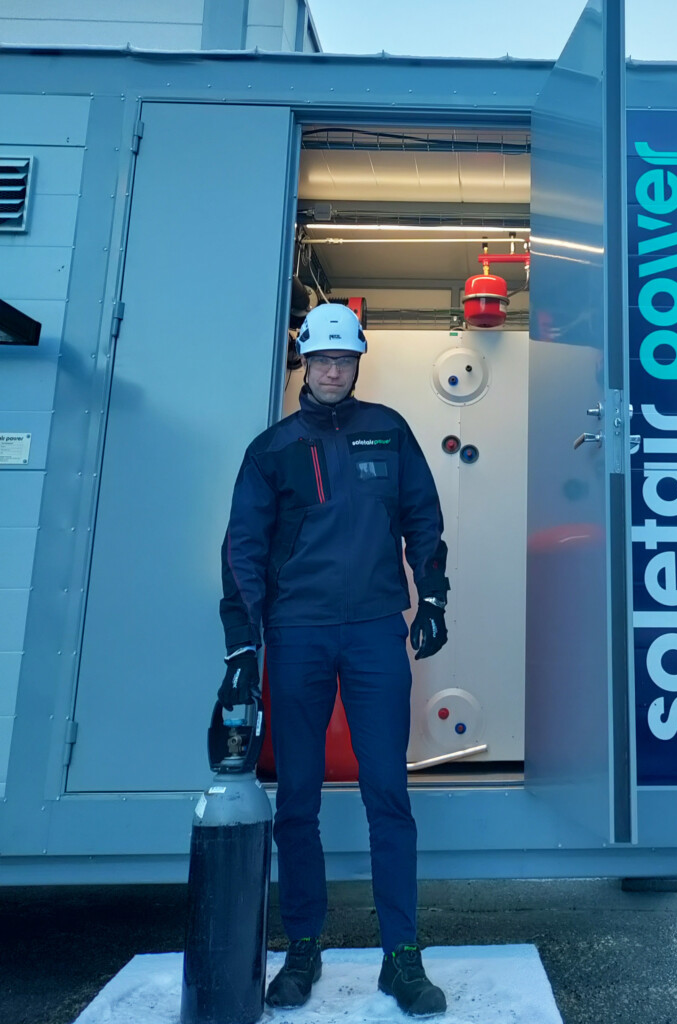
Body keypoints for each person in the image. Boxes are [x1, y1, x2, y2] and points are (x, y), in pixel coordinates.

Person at [217, 302, 450, 1017]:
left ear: (356, 363)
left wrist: (433, 599)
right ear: (304, 363)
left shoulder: (389, 430)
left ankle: (401, 959)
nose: (331, 370)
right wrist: (243, 647)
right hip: (298, 635)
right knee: (298, 800)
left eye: (343, 360)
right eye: (320, 360)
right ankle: (303, 949)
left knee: (389, 794)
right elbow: (243, 552)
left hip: (378, 629)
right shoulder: (272, 450)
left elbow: (423, 518)